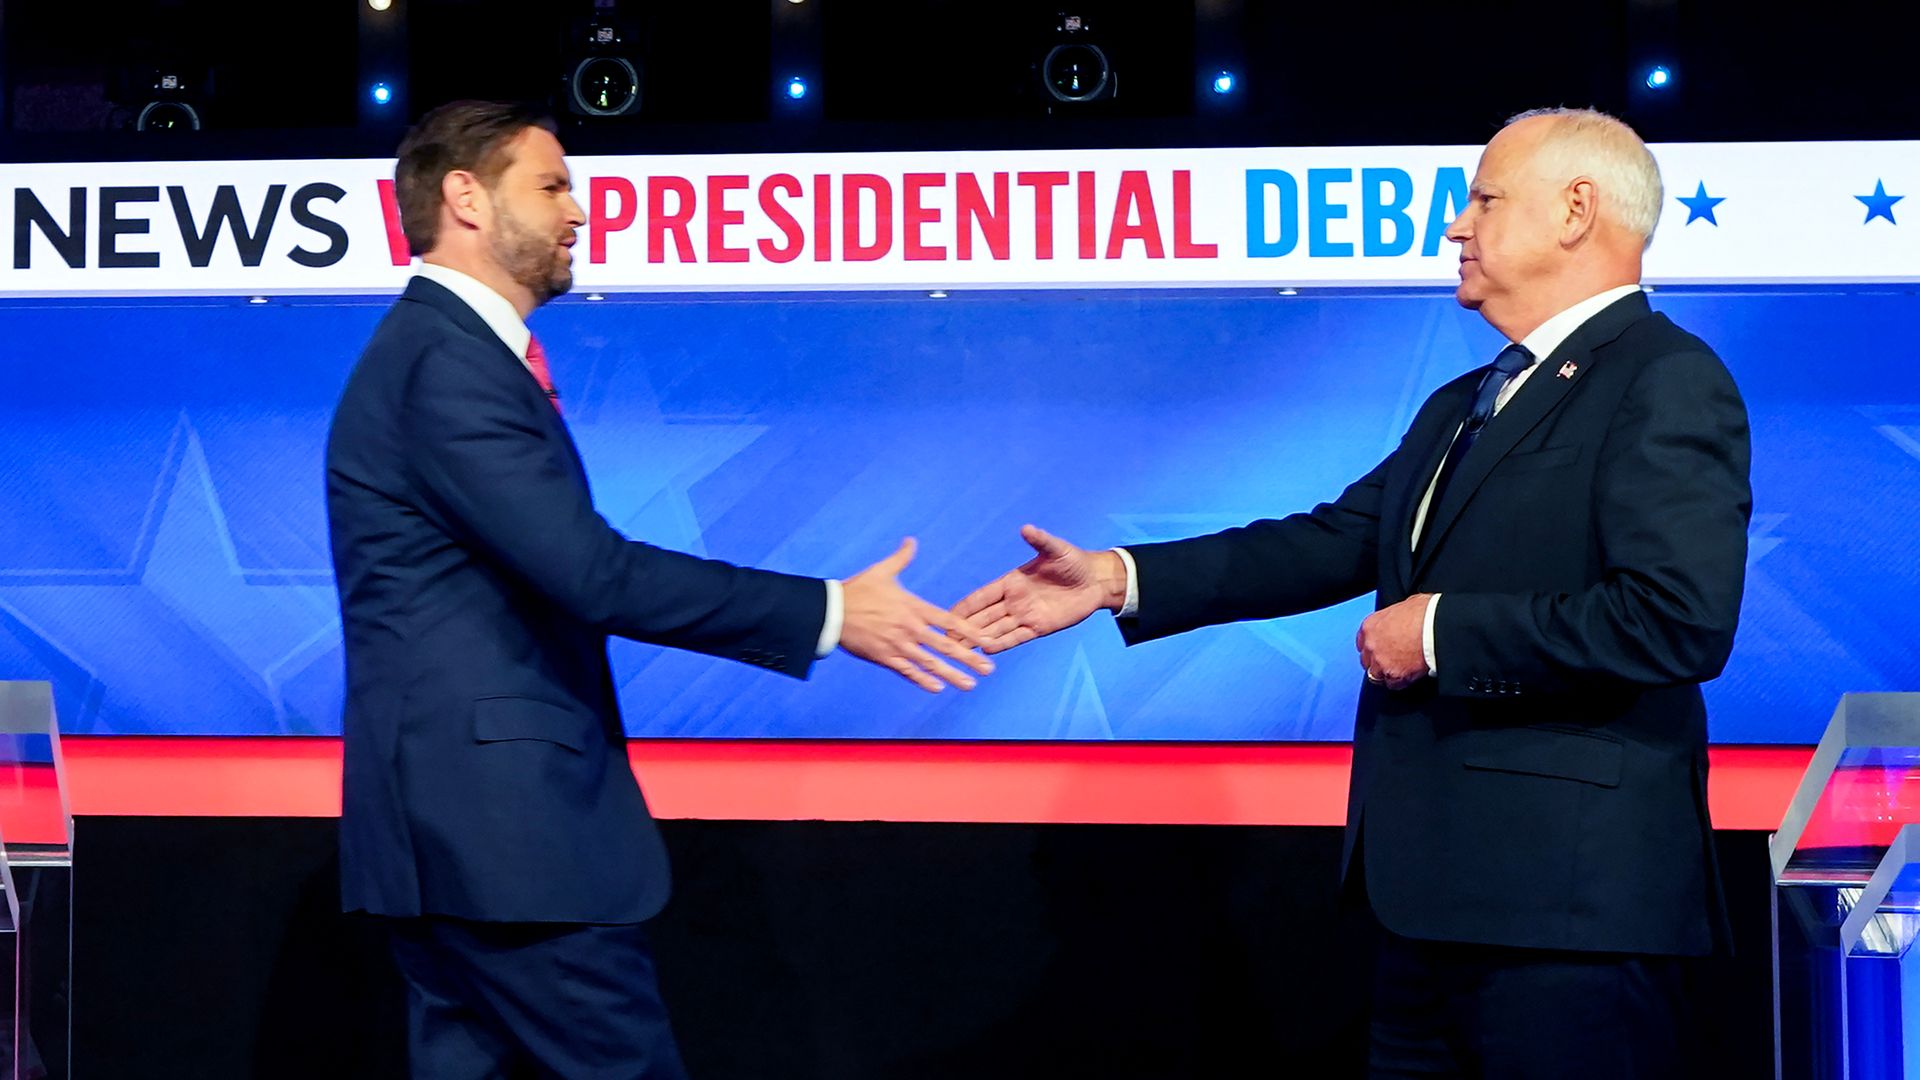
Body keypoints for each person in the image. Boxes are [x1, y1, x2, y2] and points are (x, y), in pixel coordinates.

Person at [954, 108, 1750, 1078]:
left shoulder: (1665, 379)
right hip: (1422, 912)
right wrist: (1121, 579)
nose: (1457, 227)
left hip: (1566, 922)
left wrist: (1446, 633)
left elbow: (1677, 619)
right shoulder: (1462, 405)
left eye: (1483, 200)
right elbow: (1333, 540)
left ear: (1577, 211)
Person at [325, 100, 993, 1079]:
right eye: (550, 186)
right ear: (464, 198)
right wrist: (831, 612)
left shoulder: (436, 356)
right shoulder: (445, 366)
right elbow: (592, 572)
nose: (580, 211)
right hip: (511, 851)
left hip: (464, 849)